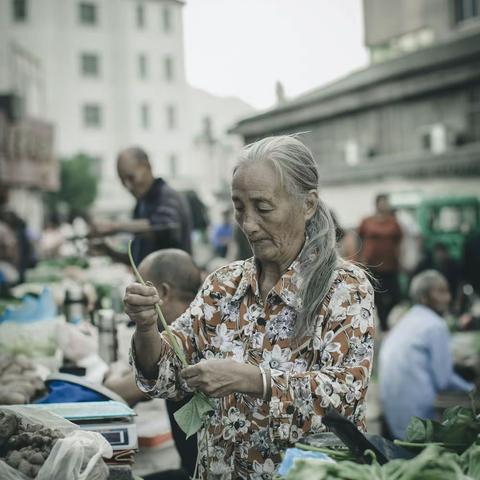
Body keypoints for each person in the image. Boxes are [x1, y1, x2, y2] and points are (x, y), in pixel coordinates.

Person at [124, 136, 375, 479]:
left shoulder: (345, 287)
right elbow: (164, 376)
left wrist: (254, 380)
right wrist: (146, 326)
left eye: (263, 207)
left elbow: (346, 396)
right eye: (239, 207)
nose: (249, 223)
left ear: (308, 205)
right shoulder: (223, 285)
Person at [105, 249, 202, 479]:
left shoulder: (186, 340)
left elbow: (116, 393)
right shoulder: (203, 324)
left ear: (163, 293)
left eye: (140, 286)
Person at [379, 270, 474, 440]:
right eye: (441, 292)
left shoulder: (407, 319)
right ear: (424, 297)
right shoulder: (435, 325)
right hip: (415, 417)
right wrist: (471, 389)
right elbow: (443, 379)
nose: (448, 298)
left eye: (447, 291)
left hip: (392, 413)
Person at [91, 147, 192, 264]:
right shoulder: (141, 205)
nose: (128, 186)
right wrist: (108, 251)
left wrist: (115, 226)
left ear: (147, 166)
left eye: (131, 178)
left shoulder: (167, 196)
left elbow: (166, 226)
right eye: (123, 181)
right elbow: (139, 261)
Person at [358, 194, 403, 331]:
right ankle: (383, 324)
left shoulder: (393, 222)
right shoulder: (367, 221)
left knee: (396, 296)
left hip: (391, 265)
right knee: (376, 296)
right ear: (376, 204)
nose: (385, 205)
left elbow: (400, 241)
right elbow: (359, 239)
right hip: (372, 265)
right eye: (382, 202)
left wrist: (401, 258)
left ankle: (384, 319)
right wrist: (359, 258)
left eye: (386, 203)